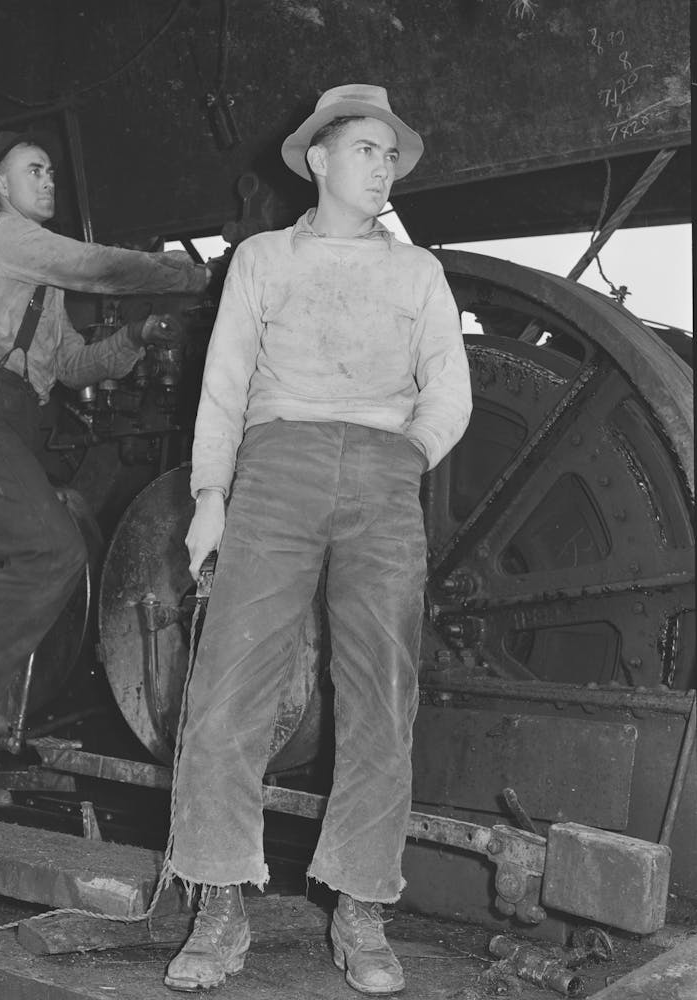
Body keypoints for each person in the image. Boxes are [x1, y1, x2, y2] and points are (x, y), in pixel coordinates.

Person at [164, 84, 472, 996]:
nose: (382, 168)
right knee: (228, 686)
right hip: (277, 466)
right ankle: (218, 905)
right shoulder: (262, 260)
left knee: (383, 694)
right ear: (319, 161)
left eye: (390, 155)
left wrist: (405, 454)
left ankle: (363, 910)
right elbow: (225, 380)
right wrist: (210, 494)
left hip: (384, 471)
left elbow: (448, 381)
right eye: (367, 150)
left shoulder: (417, 273)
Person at [0, 130, 210, 811]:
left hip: (10, 417)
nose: (48, 180)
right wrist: (187, 274)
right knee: (49, 549)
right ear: (2, 187)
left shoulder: (40, 284)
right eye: (34, 170)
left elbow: (67, 366)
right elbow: (98, 267)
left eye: (52, 171)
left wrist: (133, 340)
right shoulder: (3, 241)